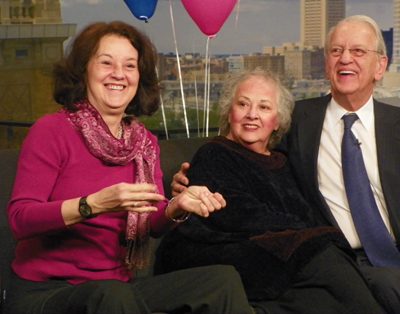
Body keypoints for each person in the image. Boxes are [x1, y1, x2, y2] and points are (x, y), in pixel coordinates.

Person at [171, 15, 400, 313]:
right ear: (326, 63)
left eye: (358, 51)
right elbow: (245, 158)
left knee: (397, 285)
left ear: (380, 66)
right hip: (331, 257)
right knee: (386, 287)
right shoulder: (295, 121)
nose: (345, 59)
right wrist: (188, 180)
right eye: (336, 51)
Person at [5, 21, 254, 314]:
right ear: (83, 70)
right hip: (46, 291)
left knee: (222, 280)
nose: (119, 74)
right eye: (106, 63)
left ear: (140, 77)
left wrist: (176, 207)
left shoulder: (144, 144)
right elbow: (20, 220)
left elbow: (149, 223)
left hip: (116, 287)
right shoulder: (52, 130)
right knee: (110, 296)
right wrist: (92, 205)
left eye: (130, 65)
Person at [156, 67, 387, 313]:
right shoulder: (214, 153)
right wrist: (310, 235)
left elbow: (303, 212)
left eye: (264, 107)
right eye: (243, 104)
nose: (252, 115)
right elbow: (237, 213)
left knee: (333, 282)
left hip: (271, 249)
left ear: (277, 121)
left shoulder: (283, 162)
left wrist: (311, 235)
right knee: (326, 259)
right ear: (230, 112)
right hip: (217, 249)